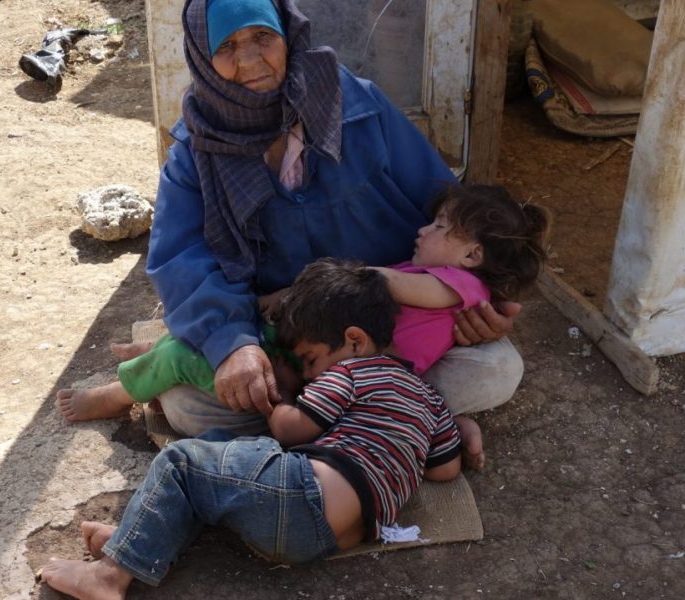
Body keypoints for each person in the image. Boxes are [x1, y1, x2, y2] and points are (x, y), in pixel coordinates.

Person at [57, 0, 523, 437]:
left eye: (263, 36)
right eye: (227, 46)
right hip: (280, 333)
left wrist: (483, 301)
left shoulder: (358, 108)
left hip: (389, 333)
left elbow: (450, 212)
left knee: (497, 370)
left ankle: (332, 420)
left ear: (288, 34)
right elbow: (182, 261)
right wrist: (233, 344)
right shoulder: (196, 150)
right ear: (201, 56)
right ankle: (405, 423)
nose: (251, 60)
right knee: (190, 408)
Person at [41, 259, 465, 600]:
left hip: (303, 497)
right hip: (340, 536)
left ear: (354, 341)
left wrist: (275, 395)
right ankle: (144, 536)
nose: (311, 376)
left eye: (311, 360)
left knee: (183, 462)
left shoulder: (352, 372)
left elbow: (289, 431)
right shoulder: (427, 396)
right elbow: (445, 469)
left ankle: (110, 575)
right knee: (219, 461)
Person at [57, 184, 548, 470]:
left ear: (472, 255)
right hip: (334, 357)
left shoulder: (456, 284)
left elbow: (388, 285)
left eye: (440, 226)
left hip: (345, 371)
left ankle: (127, 389)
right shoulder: (433, 274)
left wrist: (330, 280)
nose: (423, 229)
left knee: (200, 365)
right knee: (232, 339)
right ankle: (166, 351)